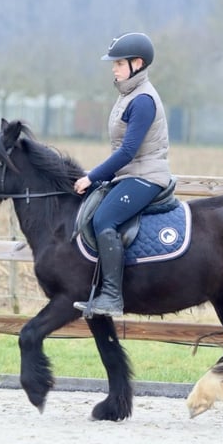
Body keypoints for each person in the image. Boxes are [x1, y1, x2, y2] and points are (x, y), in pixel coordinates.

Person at [72, 32, 172, 317]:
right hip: (129, 174)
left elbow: (128, 152)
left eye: (118, 63)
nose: (113, 68)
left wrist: (93, 176)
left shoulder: (142, 100)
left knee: (105, 218)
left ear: (137, 63)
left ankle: (112, 298)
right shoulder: (128, 95)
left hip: (146, 176)